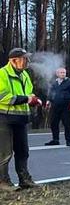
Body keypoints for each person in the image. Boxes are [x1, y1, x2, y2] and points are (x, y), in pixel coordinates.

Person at [0, 48, 42, 191]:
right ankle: (3, 182)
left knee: (23, 150)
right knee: (4, 152)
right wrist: (26, 99)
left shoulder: (24, 75)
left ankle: (24, 179)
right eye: (24, 59)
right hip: (4, 118)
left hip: (21, 119)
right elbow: (3, 96)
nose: (27, 62)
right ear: (13, 60)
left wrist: (34, 99)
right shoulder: (2, 74)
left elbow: (28, 92)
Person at [44, 67, 70, 147]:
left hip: (66, 106)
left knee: (67, 124)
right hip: (55, 106)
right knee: (53, 123)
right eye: (61, 73)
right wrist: (48, 102)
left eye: (64, 72)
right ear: (57, 74)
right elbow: (50, 94)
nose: (63, 74)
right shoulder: (54, 83)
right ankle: (55, 139)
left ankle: (68, 140)